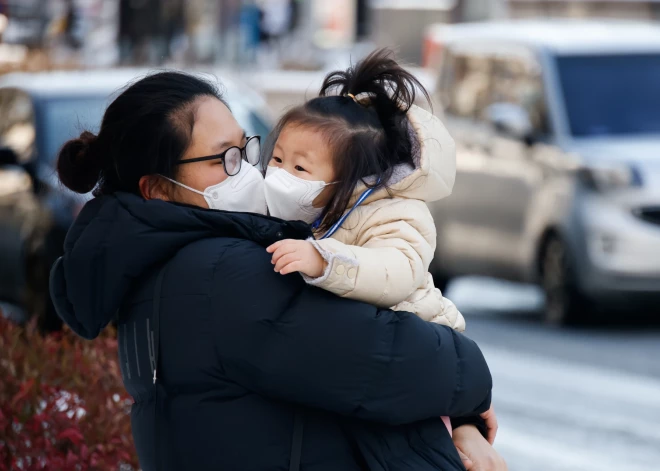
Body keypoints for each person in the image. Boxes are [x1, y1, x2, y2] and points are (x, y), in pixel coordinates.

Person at [49, 71, 506, 471]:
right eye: (224, 158)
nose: (250, 168)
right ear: (159, 191)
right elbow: (392, 364)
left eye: (247, 148)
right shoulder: (222, 276)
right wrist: (470, 386)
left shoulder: (157, 263)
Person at [264, 49, 469, 436]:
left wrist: (325, 260)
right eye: (276, 158)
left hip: (422, 353)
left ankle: (462, 433)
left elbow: (397, 271)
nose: (278, 174)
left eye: (300, 167)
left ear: (349, 178)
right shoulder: (307, 211)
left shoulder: (395, 212)